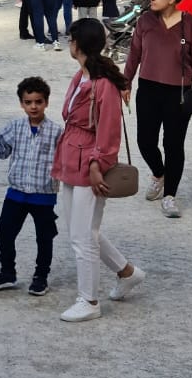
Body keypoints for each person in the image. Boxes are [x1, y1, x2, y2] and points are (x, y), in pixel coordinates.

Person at [51, 18, 144, 322]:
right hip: (71, 156)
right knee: (81, 231)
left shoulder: (103, 85)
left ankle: (89, 300)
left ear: (79, 44)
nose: (68, 43)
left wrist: (96, 164)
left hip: (89, 161)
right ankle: (126, 272)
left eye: (71, 39)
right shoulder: (82, 76)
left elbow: (108, 131)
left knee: (82, 235)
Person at [122, 0, 192, 219]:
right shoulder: (145, 21)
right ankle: (159, 174)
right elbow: (134, 55)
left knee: (173, 145)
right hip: (148, 89)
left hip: (178, 93)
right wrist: (126, 81)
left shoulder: (189, 24)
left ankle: (170, 195)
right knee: (145, 141)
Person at [0, 76, 59, 296]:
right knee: (4, 232)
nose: (33, 106)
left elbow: (65, 158)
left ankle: (40, 276)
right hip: (16, 193)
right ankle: (7, 272)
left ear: (46, 102)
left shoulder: (56, 132)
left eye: (38, 101)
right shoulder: (15, 127)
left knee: (44, 237)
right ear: (21, 103)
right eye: (29, 102)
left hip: (43, 195)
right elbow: (1, 148)